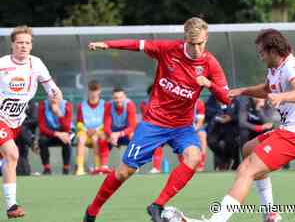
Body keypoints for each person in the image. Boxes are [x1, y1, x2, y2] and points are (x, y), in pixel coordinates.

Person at [83, 17, 229, 222]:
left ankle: (157, 205)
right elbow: (137, 44)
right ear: (185, 38)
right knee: (125, 171)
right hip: (154, 123)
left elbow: (225, 96)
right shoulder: (168, 49)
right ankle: (92, 211)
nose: (196, 48)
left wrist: (209, 84)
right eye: (192, 43)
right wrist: (108, 44)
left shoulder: (210, 63)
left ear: (206, 39)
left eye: (201, 43)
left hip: (182, 126)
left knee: (194, 158)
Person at [187, 29, 295, 222]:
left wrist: (282, 97)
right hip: (289, 131)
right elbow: (267, 89)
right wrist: (241, 91)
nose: (260, 57)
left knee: (246, 170)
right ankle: (270, 214)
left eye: (262, 52)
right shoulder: (276, 68)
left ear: (273, 50)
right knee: (249, 149)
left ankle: (217, 220)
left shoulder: (293, 67)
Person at [0, 25, 62, 218]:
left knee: (10, 157)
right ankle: (12, 207)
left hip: (16, 122)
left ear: (31, 45)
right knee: (12, 154)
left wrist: (56, 95)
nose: (24, 46)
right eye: (20, 43)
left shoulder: (36, 64)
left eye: (27, 43)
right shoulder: (2, 65)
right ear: (12, 45)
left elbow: (52, 88)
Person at [97, 87, 137, 172]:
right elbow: (106, 126)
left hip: (125, 134)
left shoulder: (130, 105)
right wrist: (111, 135)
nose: (118, 100)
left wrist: (118, 134)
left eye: (121, 97)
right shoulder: (108, 105)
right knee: (102, 136)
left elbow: (132, 126)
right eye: (116, 98)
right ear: (112, 98)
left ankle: (133, 164)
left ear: (125, 97)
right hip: (113, 134)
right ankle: (104, 166)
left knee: (133, 136)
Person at [75, 80, 107, 175]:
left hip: (99, 132)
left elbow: (106, 122)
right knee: (81, 139)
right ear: (88, 91)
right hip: (85, 132)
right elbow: (79, 122)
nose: (93, 93)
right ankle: (80, 168)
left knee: (95, 139)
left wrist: (96, 130)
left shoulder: (105, 105)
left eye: (96, 90)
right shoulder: (82, 105)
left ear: (99, 91)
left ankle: (97, 167)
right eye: (91, 90)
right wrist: (85, 130)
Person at [38, 97, 73, 175]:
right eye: (51, 98)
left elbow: (67, 128)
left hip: (64, 132)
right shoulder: (43, 105)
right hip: (50, 133)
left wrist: (58, 113)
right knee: (42, 140)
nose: (53, 100)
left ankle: (66, 168)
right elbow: (42, 128)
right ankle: (47, 168)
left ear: (60, 98)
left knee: (67, 139)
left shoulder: (67, 105)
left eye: (56, 97)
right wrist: (57, 134)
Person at [205, 95, 240, 170]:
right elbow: (207, 113)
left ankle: (233, 162)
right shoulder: (211, 99)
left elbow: (239, 116)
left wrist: (231, 118)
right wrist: (218, 116)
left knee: (231, 142)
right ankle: (224, 159)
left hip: (231, 127)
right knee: (211, 141)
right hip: (216, 127)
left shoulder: (235, 100)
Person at [15, 100, 38, 176]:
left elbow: (34, 119)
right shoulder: (9, 101)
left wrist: (20, 123)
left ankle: (25, 171)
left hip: (25, 131)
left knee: (22, 131)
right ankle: (32, 143)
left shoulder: (31, 103)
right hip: (11, 132)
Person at [194, 99, 207, 172]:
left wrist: (194, 130)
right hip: (182, 127)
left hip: (195, 127)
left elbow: (200, 122)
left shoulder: (199, 103)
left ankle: (201, 164)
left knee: (202, 135)